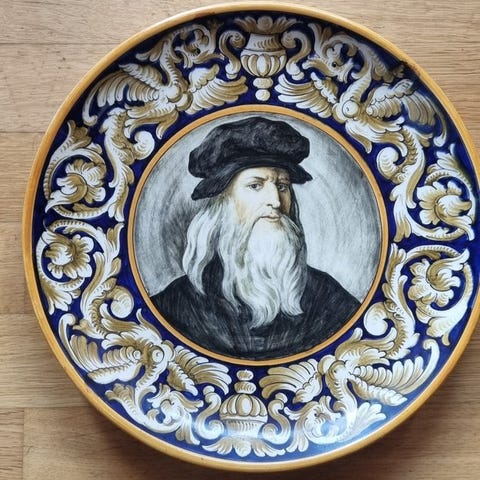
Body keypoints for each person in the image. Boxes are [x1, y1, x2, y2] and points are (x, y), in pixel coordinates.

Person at [150, 116, 359, 360]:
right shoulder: (177, 304)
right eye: (255, 186)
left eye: (282, 186)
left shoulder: (327, 297)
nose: (276, 201)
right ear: (223, 203)